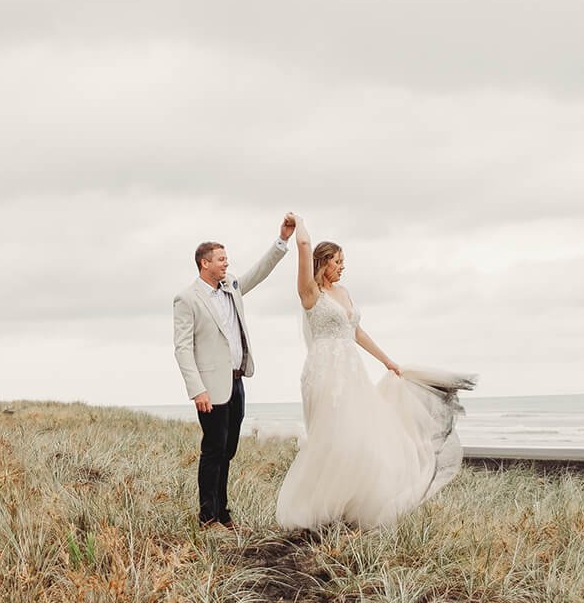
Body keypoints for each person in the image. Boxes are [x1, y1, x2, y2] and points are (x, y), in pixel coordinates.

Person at [275, 218, 474, 532]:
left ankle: (347, 504)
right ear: (323, 262)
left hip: (352, 372)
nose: (343, 267)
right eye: (338, 261)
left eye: (343, 261)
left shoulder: (344, 292)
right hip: (324, 374)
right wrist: (297, 222)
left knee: (356, 436)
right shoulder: (310, 292)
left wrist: (387, 361)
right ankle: (318, 508)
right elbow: (302, 245)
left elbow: (357, 332)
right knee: (331, 438)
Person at [173, 218, 298, 529]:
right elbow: (182, 349)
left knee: (228, 450)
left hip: (236, 382)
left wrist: (282, 240)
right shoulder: (187, 299)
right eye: (220, 259)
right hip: (210, 388)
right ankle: (207, 517)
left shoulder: (232, 287)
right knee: (213, 450)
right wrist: (197, 389)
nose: (226, 263)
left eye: (226, 259)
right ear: (204, 263)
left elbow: (259, 271)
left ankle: (223, 514)